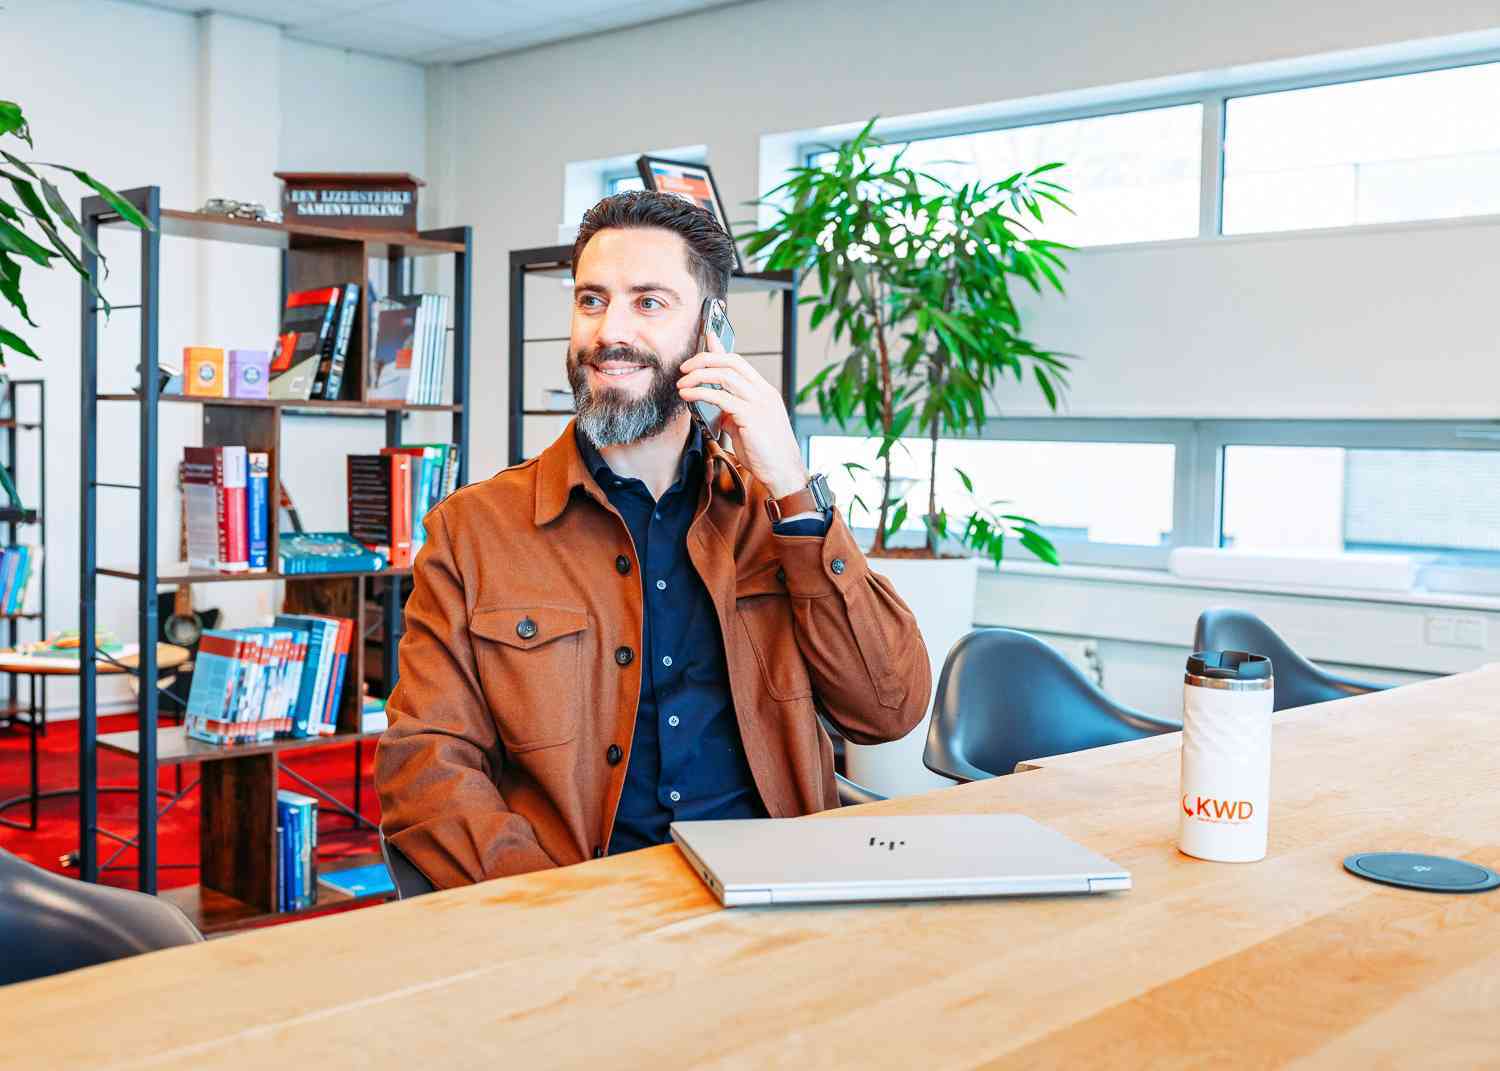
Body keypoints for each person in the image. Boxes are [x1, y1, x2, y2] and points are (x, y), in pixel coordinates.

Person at [375, 191, 931, 889]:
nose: (610, 331)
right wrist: (554, 912)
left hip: (781, 902)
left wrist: (793, 483)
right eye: (591, 300)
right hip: (579, 919)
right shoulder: (473, 530)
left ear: (711, 331)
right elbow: (426, 767)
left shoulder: (775, 512)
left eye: (649, 302)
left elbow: (888, 708)